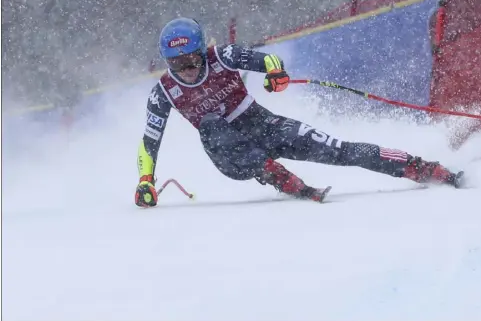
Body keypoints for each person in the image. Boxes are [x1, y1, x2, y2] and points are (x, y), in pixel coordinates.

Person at [135, 18, 463, 208]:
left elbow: (266, 60)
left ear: (201, 52)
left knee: (338, 150)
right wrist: (145, 181)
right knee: (210, 124)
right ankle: (274, 174)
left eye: (192, 60)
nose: (187, 69)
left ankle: (419, 167)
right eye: (177, 63)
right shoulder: (164, 91)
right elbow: (150, 141)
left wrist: (275, 75)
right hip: (231, 157)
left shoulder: (221, 55)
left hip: (262, 125)